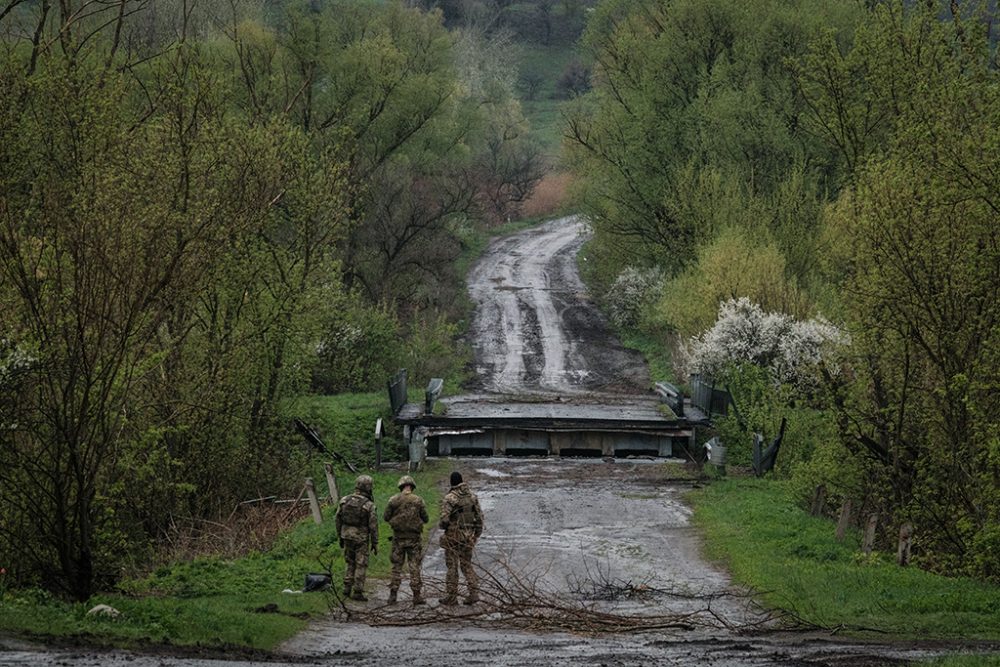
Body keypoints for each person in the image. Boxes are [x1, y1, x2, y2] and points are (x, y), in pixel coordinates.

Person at [383, 474, 429, 605]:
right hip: (414, 539)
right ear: (412, 486)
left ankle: (393, 595)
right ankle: (416, 596)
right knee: (414, 566)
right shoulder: (418, 500)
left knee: (396, 567)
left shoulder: (393, 500)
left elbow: (386, 517)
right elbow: (426, 519)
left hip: (398, 538)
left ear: (401, 486)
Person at [438, 471, 484, 606]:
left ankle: (451, 597)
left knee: (452, 566)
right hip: (469, 537)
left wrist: (443, 526)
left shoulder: (450, 498)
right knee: (466, 565)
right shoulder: (472, 497)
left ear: (452, 482)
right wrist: (476, 535)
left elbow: (444, 519)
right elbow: (480, 518)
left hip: (453, 537)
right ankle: (473, 593)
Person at [336, 474, 378, 601]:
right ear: (368, 487)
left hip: (346, 535)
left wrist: (340, 536)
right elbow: (373, 526)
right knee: (361, 564)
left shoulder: (344, 500)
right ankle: (358, 591)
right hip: (361, 538)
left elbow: (337, 519)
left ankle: (346, 588)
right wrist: (375, 543)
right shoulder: (369, 505)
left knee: (349, 562)